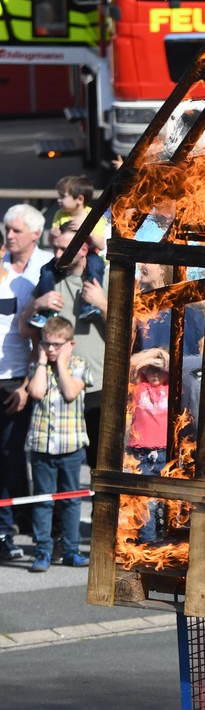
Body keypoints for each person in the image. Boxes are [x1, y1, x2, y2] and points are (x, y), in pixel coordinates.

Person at [19, 224, 107, 472]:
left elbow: (128, 334)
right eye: (55, 248)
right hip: (55, 388)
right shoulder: (48, 280)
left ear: (83, 249)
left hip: (95, 386)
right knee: (56, 471)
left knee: (99, 465)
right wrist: (36, 305)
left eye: (63, 249)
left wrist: (102, 304)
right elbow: (25, 329)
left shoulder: (104, 278)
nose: (57, 255)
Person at [0, 204, 51, 562]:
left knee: (19, 453)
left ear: (35, 233)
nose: (9, 235)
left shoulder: (46, 267)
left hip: (24, 376)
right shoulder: (2, 266)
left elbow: (41, 333)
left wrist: (27, 380)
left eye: (16, 230)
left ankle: (32, 520)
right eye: (7, 229)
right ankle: (7, 529)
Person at [24, 316, 93, 572]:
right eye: (46, 344)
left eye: (56, 344)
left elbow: (70, 392)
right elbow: (36, 392)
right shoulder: (37, 368)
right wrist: (41, 362)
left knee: (71, 500)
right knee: (43, 500)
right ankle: (43, 549)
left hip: (71, 447)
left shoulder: (79, 366)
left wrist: (62, 364)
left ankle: (71, 549)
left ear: (70, 344)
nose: (51, 349)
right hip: (42, 447)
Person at [31, 176, 108, 326]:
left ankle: (90, 305)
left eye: (62, 196)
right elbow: (53, 242)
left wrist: (87, 231)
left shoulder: (93, 216)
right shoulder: (60, 215)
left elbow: (101, 243)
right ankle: (46, 310)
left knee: (96, 267)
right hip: (65, 256)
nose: (58, 200)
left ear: (79, 199)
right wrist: (53, 236)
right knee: (46, 270)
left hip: (90, 255)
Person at [126, 347, 169, 542]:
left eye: (159, 370)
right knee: (145, 499)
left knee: (166, 500)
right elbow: (130, 365)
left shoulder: (171, 386)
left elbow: (178, 369)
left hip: (165, 451)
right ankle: (147, 538)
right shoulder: (140, 387)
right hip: (141, 453)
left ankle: (164, 535)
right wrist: (151, 355)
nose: (155, 374)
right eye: (151, 369)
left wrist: (164, 359)